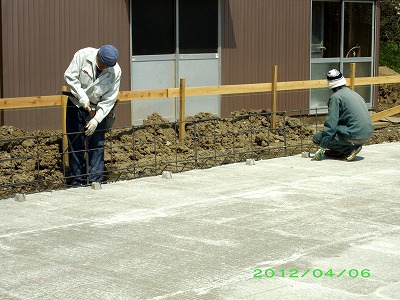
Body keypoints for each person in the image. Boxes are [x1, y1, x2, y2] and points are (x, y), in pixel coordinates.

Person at [64, 45, 121, 185]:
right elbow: (70, 76)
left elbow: (109, 99)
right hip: (76, 104)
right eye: (101, 64)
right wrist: (82, 97)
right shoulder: (83, 55)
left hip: (97, 109)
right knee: (75, 142)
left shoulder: (115, 71)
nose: (103, 68)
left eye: (106, 66)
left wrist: (96, 120)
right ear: (97, 56)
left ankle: (95, 180)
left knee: (97, 143)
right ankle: (77, 181)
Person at [313, 69, 374, 161]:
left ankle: (349, 149)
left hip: (353, 136)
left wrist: (322, 146)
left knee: (317, 138)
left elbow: (331, 125)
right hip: (366, 135)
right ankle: (339, 151)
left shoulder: (336, 98)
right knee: (337, 132)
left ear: (331, 86)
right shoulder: (355, 94)